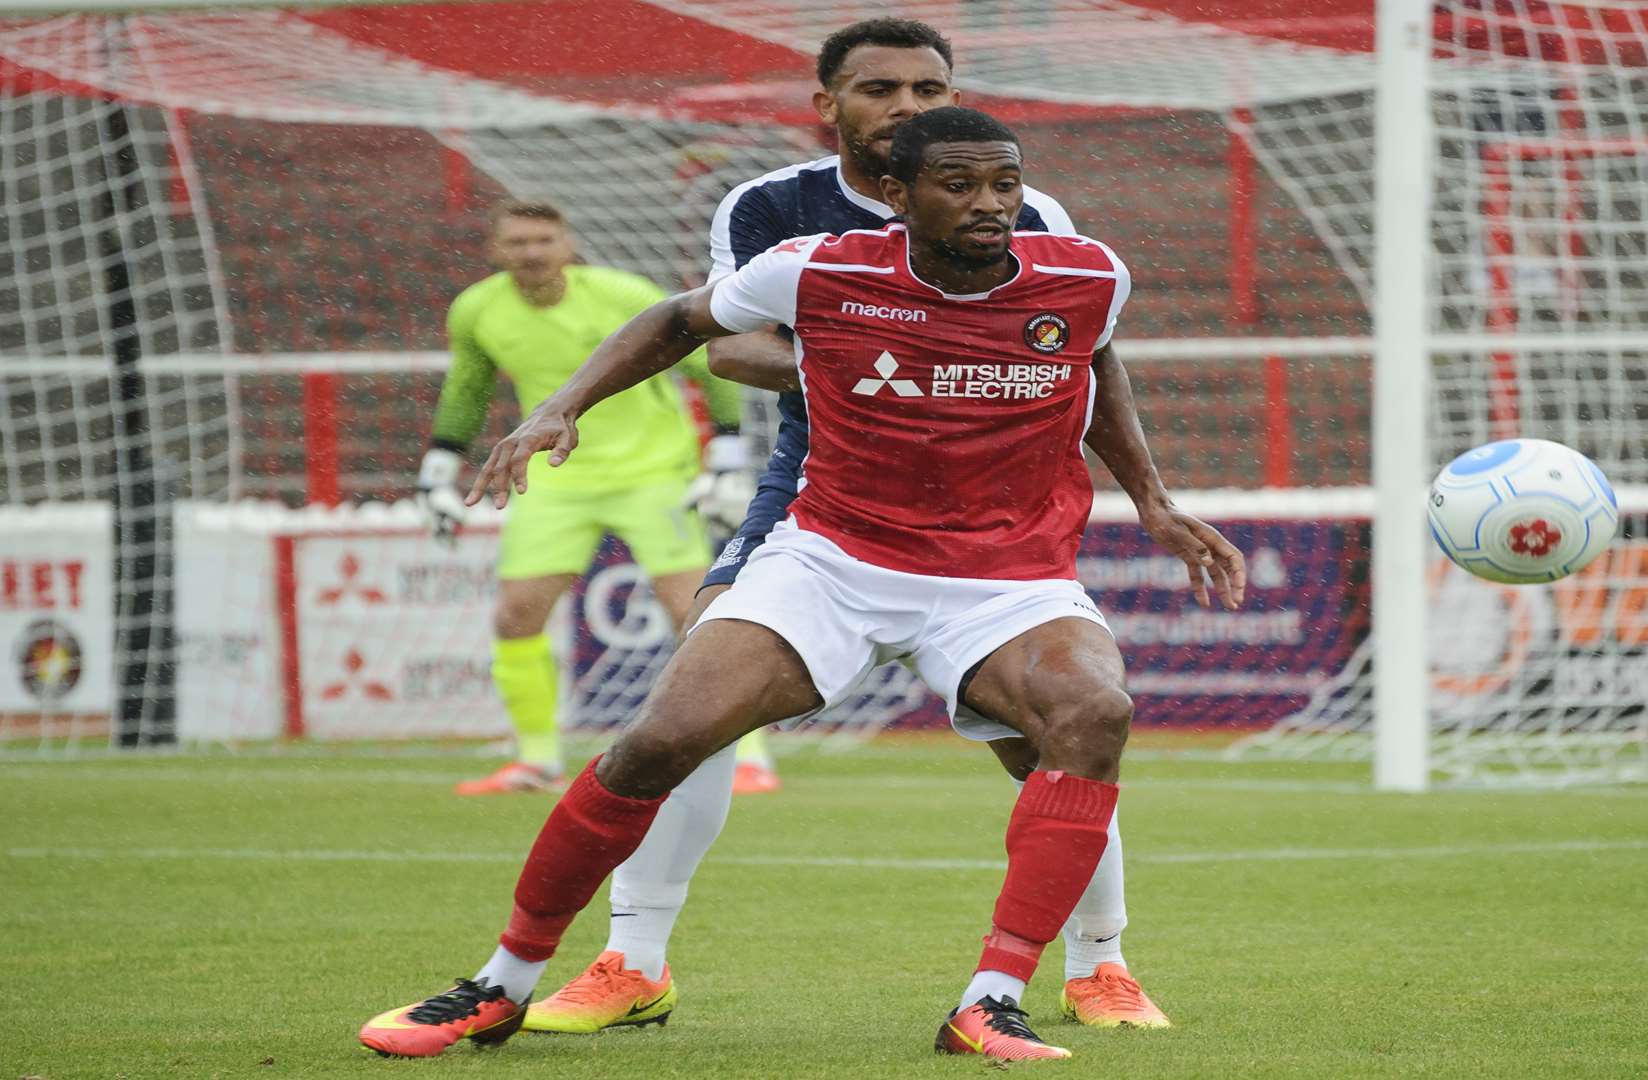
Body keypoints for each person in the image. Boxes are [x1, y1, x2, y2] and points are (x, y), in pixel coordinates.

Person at [359, 106, 1245, 1063]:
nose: (991, 205)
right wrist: (559, 407)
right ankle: (503, 982)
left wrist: (1152, 500)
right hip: (831, 559)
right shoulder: (818, 264)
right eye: (960, 185)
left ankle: (994, 998)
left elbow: (1093, 359)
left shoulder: (1089, 272)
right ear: (895, 196)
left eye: (1004, 183)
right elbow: (679, 321)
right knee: (660, 739)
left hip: (1006, 577)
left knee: (1093, 712)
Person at [518, 18, 1166, 1040]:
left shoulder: (1026, 208)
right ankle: (629, 960)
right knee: (698, 700)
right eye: (880, 89)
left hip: (982, 503)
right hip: (819, 479)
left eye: (927, 85)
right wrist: (884, 360)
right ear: (830, 105)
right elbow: (726, 345)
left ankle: (1101, 963)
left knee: (1060, 728)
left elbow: (1078, 345)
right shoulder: (773, 209)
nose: (906, 105)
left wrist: (1141, 488)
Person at [417, 201, 741, 796]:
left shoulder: (622, 294)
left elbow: (706, 364)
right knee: (516, 614)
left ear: (568, 244)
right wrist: (439, 465)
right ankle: (537, 760)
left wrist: (727, 452)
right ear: (496, 250)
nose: (532, 252)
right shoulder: (478, 309)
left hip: (653, 473)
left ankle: (743, 761)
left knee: (696, 615)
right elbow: (468, 385)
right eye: (518, 242)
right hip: (555, 477)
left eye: (543, 239)